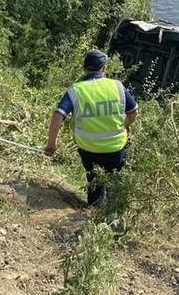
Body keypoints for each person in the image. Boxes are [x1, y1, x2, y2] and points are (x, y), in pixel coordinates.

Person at [44, 50, 138, 206]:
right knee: (115, 180)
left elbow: (58, 116)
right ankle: (113, 215)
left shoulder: (75, 90)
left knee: (94, 180)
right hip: (116, 147)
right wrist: (126, 126)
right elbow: (134, 111)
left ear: (84, 68)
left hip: (88, 149)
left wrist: (51, 144)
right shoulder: (117, 86)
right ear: (104, 68)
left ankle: (94, 211)